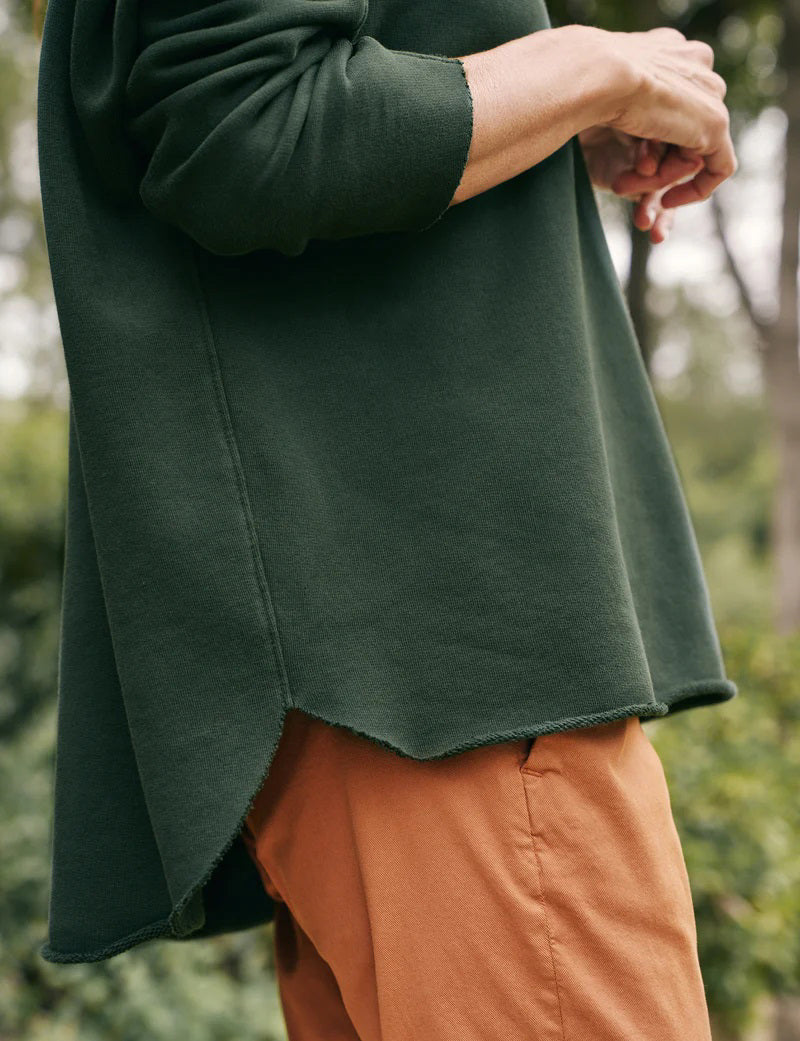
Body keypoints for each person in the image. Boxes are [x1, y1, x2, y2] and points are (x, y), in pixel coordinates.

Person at [36, 0, 738, 1035]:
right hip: (438, 669)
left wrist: (544, 115)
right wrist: (589, 66)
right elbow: (245, 121)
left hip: (410, 667)